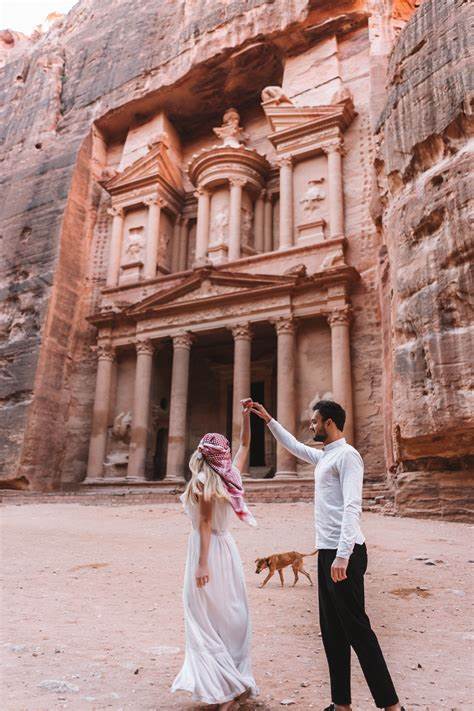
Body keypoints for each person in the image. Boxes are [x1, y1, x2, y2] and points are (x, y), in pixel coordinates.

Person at [250, 399, 405, 711]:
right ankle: (341, 705)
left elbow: (352, 507)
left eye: (315, 421)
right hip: (327, 553)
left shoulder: (348, 457)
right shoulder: (325, 457)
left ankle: (392, 706)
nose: (311, 426)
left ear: (330, 422)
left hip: (344, 554)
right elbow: (292, 445)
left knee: (358, 630)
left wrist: (343, 555)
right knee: (332, 632)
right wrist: (268, 419)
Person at [171, 400, 258, 710]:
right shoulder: (231, 474)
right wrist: (246, 417)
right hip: (227, 548)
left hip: (207, 550)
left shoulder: (204, 482)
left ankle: (223, 686)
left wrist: (201, 564)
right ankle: (232, 682)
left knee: (203, 618)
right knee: (230, 613)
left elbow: (205, 524)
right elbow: (246, 443)